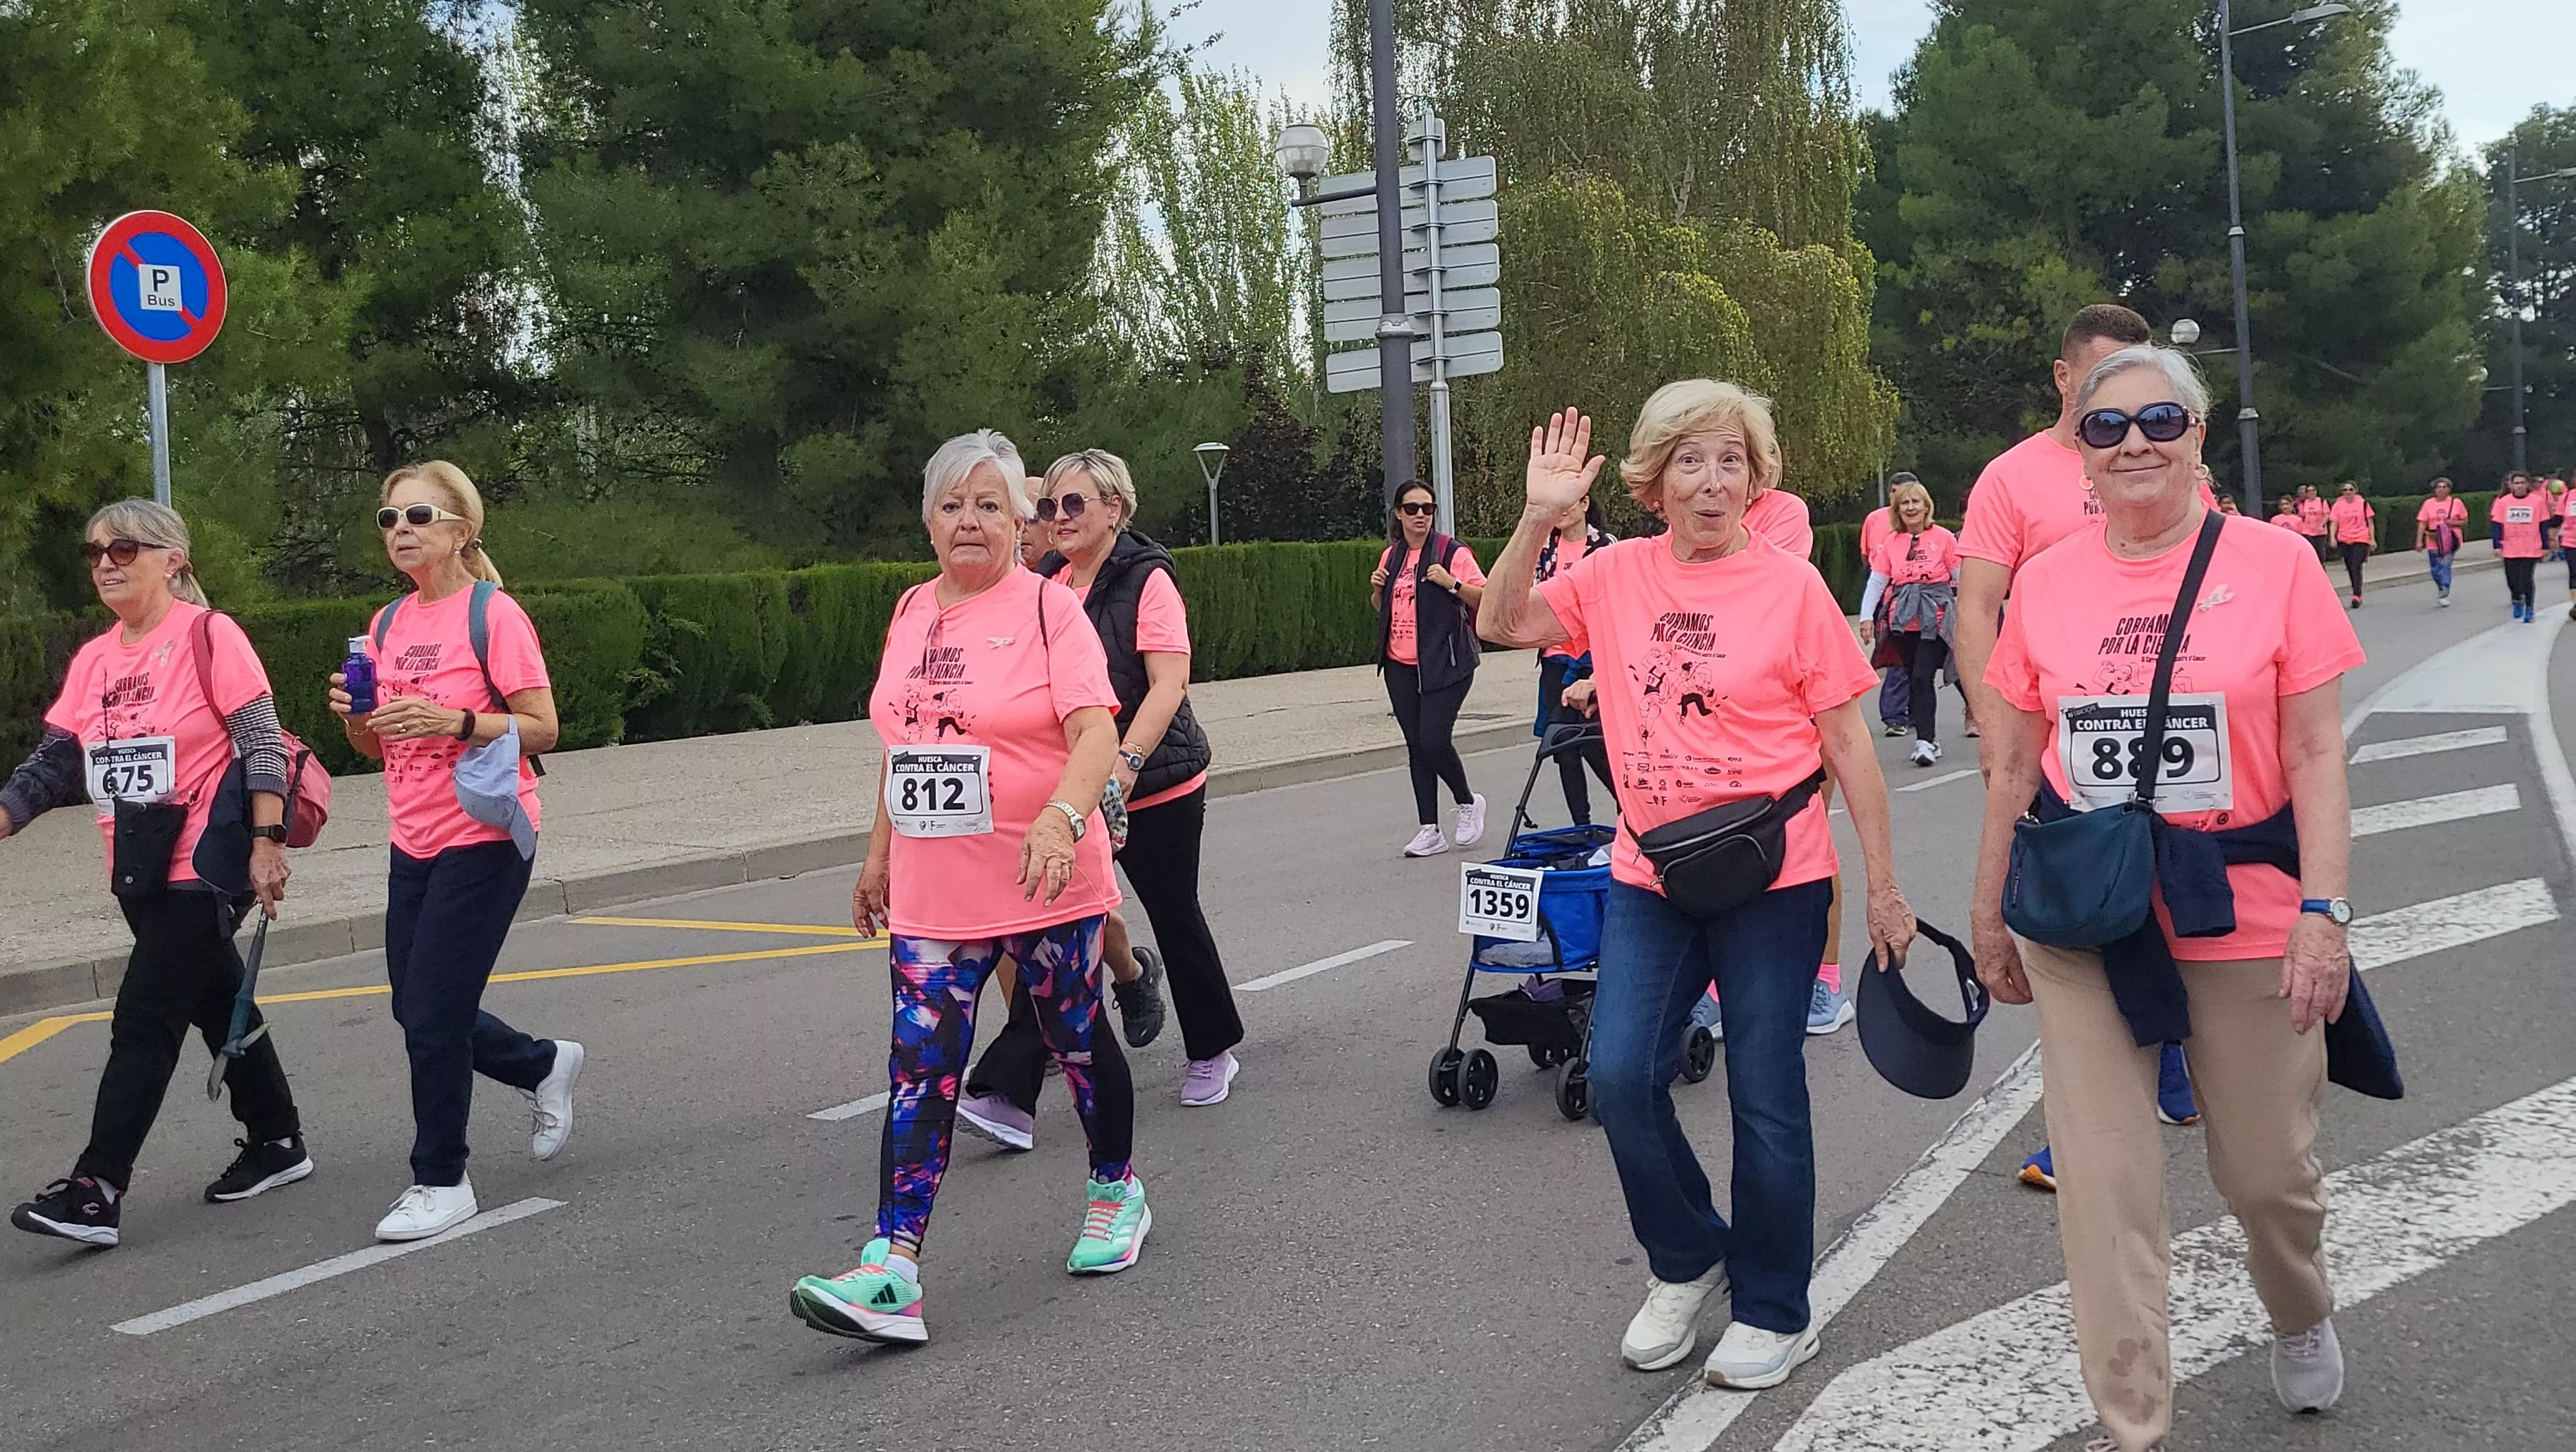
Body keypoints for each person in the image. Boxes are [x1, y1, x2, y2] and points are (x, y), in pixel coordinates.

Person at [1480, 386, 1918, 1392]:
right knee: (1624, 1074)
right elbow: (1504, 620)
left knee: (1767, 1094)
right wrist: (1540, 514)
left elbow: (1848, 743)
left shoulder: (1791, 587)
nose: (1710, 480)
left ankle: (1774, 1305)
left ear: (1755, 479)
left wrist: (1885, 889)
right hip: (1651, 870)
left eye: (1730, 460)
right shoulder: (1616, 573)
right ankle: (1686, 1253)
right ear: (1651, 481)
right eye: (1688, 461)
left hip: (1775, 873)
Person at [1969, 342, 2364, 1451]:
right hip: (2090, 914)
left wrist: (2323, 912)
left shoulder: (2276, 560)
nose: (2132, 440)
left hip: (2242, 908)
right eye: (2105, 427)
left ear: (2196, 437)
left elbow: (2318, 749)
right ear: (2079, 454)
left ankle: (2297, 1305)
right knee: (2102, 1188)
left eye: (2158, 421)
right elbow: (2014, 762)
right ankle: (2134, 1422)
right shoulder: (2044, 582)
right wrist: (1988, 903)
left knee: (2265, 1171)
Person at [788, 430, 1147, 1346]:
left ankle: (1115, 1189)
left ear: (1021, 522)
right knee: (918, 1072)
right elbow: (903, 749)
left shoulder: (1046, 612)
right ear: (928, 519)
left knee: (1072, 1035)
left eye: (991, 505)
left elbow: (1095, 732)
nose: (970, 521)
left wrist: (1063, 820)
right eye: (952, 505)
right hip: (935, 891)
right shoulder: (911, 609)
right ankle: (892, 1268)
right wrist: (876, 857)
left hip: (1044, 877)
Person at [4, 503, 313, 1248]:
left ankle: (96, 1189)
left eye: (125, 548)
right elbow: (55, 765)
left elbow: (262, 743)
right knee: (215, 997)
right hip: (137, 861)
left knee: (144, 1018)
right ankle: (277, 1141)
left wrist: (267, 840)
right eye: (95, 551)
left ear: (172, 559)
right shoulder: (95, 659)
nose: (106, 561)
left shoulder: (210, 635)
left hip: (207, 859)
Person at [1950, 304, 2198, 1194]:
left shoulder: (2161, 459)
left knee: (2164, 903)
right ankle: (2093, 1122)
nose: (2126, 418)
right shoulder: (2012, 479)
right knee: (2081, 919)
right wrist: (1993, 728)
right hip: (2057, 742)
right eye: (2100, 388)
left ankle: (2173, 1065)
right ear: (2063, 381)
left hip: (2169, 733)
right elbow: (1975, 608)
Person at [328, 463, 584, 1243]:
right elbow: (371, 745)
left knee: (433, 1015)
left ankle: (441, 1178)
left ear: (460, 531)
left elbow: (542, 727)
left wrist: (454, 721)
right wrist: (353, 713)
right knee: (416, 1006)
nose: (400, 530)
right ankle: (540, 1063)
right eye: (387, 519)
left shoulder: (492, 615)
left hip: (487, 831)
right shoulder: (385, 623)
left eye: (417, 515)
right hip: (413, 835)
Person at [957, 448, 1242, 1140]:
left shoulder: (1148, 581)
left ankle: (1211, 1048)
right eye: (1049, 507)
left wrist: (1124, 765)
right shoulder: (1045, 581)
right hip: (1075, 794)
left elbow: (1168, 685)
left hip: (1157, 784)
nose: (1057, 519)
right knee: (1049, 929)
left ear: (1114, 509)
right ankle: (1005, 1094)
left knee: (1173, 914)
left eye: (1074, 505)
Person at [1372, 480, 1488, 856]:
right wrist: (1377, 590)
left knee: (1433, 740)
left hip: (1448, 662)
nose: (1421, 515)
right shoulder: (1391, 557)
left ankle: (1468, 802)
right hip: (1400, 665)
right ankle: (1430, 829)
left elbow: (1485, 598)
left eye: (1427, 508)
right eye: (1412, 508)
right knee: (1416, 747)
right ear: (1399, 514)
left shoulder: (1451, 552)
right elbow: (1384, 608)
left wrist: (1451, 582)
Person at [1532, 497, 1619, 823]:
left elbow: (1616, 600)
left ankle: (1631, 814)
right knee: (1561, 746)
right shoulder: (1545, 550)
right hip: (1556, 660)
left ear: (1585, 503)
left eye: (1569, 504)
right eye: (1556, 506)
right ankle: (1581, 825)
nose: (1562, 511)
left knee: (1597, 745)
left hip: (1594, 661)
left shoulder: (1603, 546)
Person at [1859, 480, 1960, 767]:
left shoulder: (1943, 538)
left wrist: (1967, 616)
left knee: (1921, 676)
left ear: (1926, 506)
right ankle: (1927, 739)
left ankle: (1926, 740)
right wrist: (1867, 616)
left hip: (1936, 617)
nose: (1911, 507)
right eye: (1905, 503)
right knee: (1915, 678)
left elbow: (1960, 577)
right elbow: (1878, 581)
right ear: (1897, 510)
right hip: (1903, 619)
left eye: (1916, 502)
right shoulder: (1892, 542)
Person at [1861, 485, 1905, 736]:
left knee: (1933, 670)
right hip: (1891, 604)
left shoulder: (1938, 537)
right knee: (1897, 662)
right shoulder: (1875, 521)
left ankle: (1975, 711)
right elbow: (1872, 568)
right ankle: (1895, 716)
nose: (1905, 503)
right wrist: (1867, 615)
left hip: (1932, 611)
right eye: (1896, 493)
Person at [2493, 472, 2550, 621]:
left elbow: (2543, 524)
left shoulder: (2537, 501)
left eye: (2523, 483)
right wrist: (2496, 545)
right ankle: (2517, 599)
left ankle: (2530, 609)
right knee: (2512, 580)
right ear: (2510, 485)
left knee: (2526, 578)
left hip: (2531, 545)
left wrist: (2545, 545)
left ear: (2528, 485)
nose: (2519, 486)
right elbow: (2497, 525)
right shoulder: (2502, 502)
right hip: (2510, 546)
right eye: (2516, 483)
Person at [2414, 478, 2467, 608]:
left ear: (2449, 489)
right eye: (2439, 487)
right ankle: (2441, 585)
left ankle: (2445, 588)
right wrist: (2419, 540)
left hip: (2450, 539)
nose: (2442, 489)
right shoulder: (2428, 504)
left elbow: (2464, 521)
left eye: (2445, 487)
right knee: (2435, 568)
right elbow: (2422, 523)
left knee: (2446, 564)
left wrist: (2453, 522)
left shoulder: (2456, 503)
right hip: (2434, 538)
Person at [2327, 481, 2375, 607]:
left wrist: (2372, 539)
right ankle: (2356, 590)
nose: (2348, 492)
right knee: (2350, 567)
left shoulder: (2363, 504)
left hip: (2361, 538)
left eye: (2350, 489)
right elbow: (2334, 522)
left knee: (2356, 566)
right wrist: (2332, 538)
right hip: (2344, 539)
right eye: (2345, 490)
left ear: (2356, 491)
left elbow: (2370, 522)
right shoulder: (2338, 506)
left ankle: (2357, 595)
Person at [2294, 484, 2331, 563]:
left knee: (2320, 552)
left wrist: (2322, 525)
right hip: (2307, 531)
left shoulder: (2322, 501)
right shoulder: (2303, 504)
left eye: (2313, 490)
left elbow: (2327, 514)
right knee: (2310, 550)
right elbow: (2300, 516)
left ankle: (2321, 568)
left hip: (2320, 531)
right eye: (2309, 491)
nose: (2311, 492)